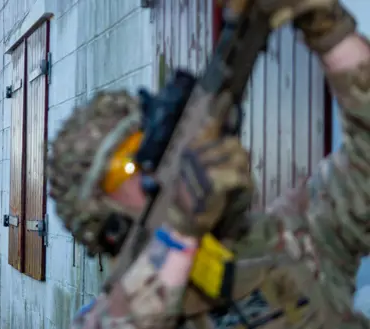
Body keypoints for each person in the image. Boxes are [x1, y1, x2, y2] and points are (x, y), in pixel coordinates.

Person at [46, 0, 370, 327]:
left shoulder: (294, 242)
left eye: (154, 142)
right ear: (106, 223)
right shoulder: (109, 319)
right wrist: (180, 231)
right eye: (128, 165)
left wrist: (331, 31)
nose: (154, 165)